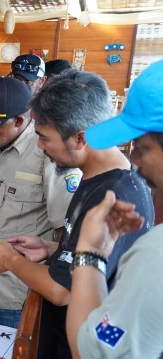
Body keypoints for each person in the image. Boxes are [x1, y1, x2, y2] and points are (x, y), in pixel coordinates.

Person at [0, 69, 153, 359]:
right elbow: (101, 258)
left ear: (80, 138)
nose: (40, 147)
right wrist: (52, 248)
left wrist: (8, 259)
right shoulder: (98, 175)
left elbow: (62, 290)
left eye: (44, 137)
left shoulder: (113, 195)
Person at [0, 76, 79, 329]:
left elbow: (65, 230)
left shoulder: (47, 153)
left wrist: (53, 290)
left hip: (23, 292)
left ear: (19, 121)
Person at [66, 59, 163, 359]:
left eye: (142, 148)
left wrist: (90, 255)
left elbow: (95, 348)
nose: (135, 161)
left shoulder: (155, 258)